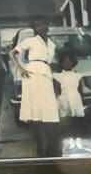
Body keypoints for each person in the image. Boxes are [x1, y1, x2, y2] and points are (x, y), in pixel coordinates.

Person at [12, 14, 63, 155]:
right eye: (38, 25)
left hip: (46, 74)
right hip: (33, 74)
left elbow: (51, 62)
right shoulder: (31, 41)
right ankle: (40, 147)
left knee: (49, 110)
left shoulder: (52, 44)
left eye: (44, 24)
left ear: (48, 25)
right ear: (34, 28)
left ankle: (51, 148)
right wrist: (21, 69)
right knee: (36, 111)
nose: (42, 27)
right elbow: (12, 53)